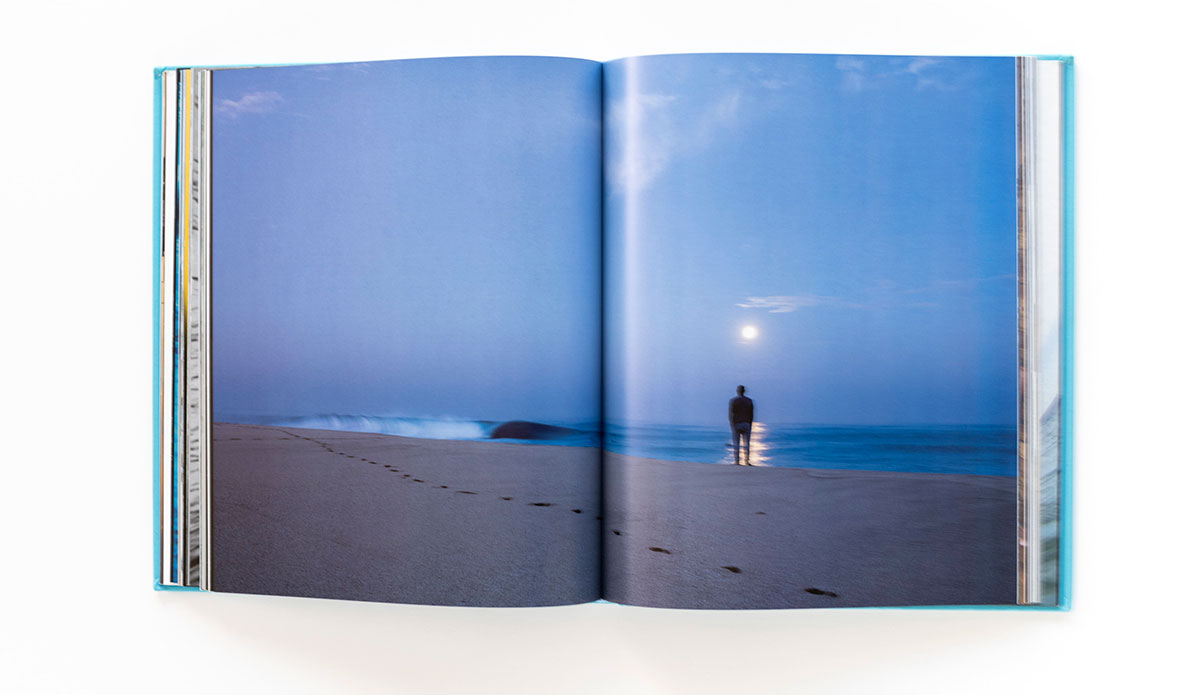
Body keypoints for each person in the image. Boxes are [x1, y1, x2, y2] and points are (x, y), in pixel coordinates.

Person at [728, 385, 754, 465]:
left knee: (736, 443)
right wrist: (750, 424)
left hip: (737, 423)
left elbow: (731, 414)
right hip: (746, 423)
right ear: (744, 391)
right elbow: (751, 414)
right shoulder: (749, 401)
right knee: (747, 443)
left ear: (737, 391)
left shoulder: (734, 400)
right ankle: (747, 461)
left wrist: (732, 424)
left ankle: (737, 461)